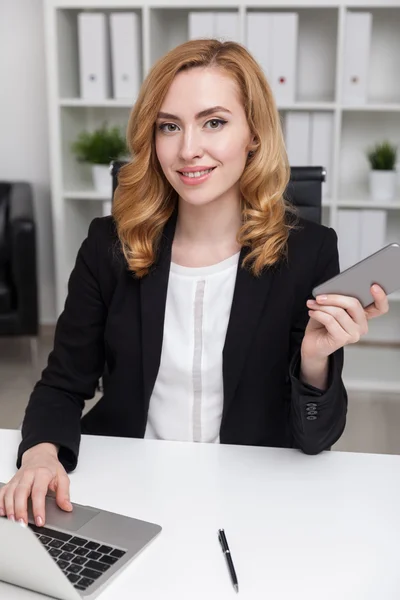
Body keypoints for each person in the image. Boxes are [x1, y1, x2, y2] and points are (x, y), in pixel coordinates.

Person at [0, 39, 388, 528]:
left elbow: (316, 439)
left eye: (214, 122)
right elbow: (62, 383)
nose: (188, 150)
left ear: (253, 134)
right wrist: (39, 455)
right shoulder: (109, 244)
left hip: (246, 496)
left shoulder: (307, 251)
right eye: (169, 126)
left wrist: (314, 361)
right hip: (126, 484)